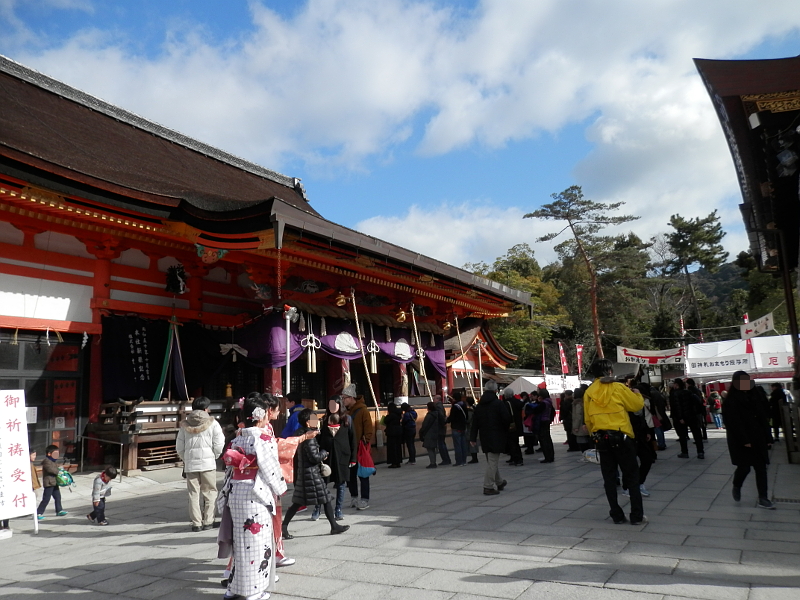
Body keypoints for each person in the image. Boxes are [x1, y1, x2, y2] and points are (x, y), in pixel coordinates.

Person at [217, 394, 296, 600]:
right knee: (257, 542)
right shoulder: (263, 438)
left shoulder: (238, 437)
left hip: (236, 491)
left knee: (240, 543)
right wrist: (280, 488)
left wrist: (224, 494)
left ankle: (233, 588)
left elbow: (229, 469)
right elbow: (270, 468)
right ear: (260, 416)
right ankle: (254, 591)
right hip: (255, 494)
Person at [583, 358, 646, 525]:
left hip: (601, 439)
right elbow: (635, 406)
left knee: (609, 479)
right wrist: (637, 395)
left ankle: (616, 515)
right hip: (622, 437)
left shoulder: (589, 392)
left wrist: (593, 435)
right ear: (610, 371)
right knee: (632, 477)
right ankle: (637, 516)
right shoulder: (618, 387)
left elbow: (588, 420)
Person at [282, 409, 350, 538]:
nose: (317, 421)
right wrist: (323, 453)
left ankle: (284, 526)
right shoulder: (309, 437)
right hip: (312, 474)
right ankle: (334, 526)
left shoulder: (300, 434)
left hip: (305, 473)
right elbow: (314, 457)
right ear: (308, 423)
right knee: (324, 498)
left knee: (305, 501)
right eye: (314, 419)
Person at [723, 371, 775, 509]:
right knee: (744, 467)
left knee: (761, 468)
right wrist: (744, 439)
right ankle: (737, 485)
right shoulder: (731, 400)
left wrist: (768, 437)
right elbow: (733, 423)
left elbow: (764, 418)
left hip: (758, 437)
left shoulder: (756, 396)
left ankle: (763, 497)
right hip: (741, 440)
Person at [176, 396, 225, 532]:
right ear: (205, 409)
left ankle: (196, 523)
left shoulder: (185, 424)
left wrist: (186, 459)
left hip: (191, 465)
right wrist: (214, 456)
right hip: (208, 464)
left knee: (193, 493)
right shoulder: (213, 423)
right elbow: (219, 443)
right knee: (210, 492)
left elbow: (179, 446)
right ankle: (208, 521)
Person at [316, 396, 356, 521]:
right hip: (326, 456)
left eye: (335, 404)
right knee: (322, 484)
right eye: (330, 404)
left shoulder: (347, 420)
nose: (332, 407)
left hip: (342, 455)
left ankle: (338, 509)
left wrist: (353, 458)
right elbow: (318, 438)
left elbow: (353, 439)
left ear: (340, 405)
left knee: (341, 484)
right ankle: (317, 509)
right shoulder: (323, 419)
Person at [469, 381, 510, 495]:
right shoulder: (498, 404)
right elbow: (506, 419)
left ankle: (499, 482)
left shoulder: (479, 406)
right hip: (496, 435)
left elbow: (475, 423)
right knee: (492, 462)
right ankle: (488, 486)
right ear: (495, 391)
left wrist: (472, 438)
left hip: (484, 436)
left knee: (491, 460)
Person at [342, 383, 374, 510]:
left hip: (359, 448)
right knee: (350, 475)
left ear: (351, 397)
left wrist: (364, 443)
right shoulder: (345, 412)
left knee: (363, 474)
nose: (343, 400)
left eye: (344, 398)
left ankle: (364, 499)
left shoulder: (363, 410)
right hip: (348, 447)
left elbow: (368, 430)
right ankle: (354, 496)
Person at [670, 379, 705, 459]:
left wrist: (680, 417)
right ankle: (700, 452)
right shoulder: (689, 392)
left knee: (682, 436)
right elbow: (697, 403)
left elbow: (676, 407)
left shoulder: (674, 394)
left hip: (681, 418)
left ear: (676, 384)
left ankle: (685, 452)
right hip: (692, 416)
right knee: (697, 435)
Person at [37, 444, 68, 519]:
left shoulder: (53, 461)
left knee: (58, 497)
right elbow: (51, 470)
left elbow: (56, 469)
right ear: (49, 454)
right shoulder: (46, 461)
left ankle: (59, 510)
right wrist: (58, 472)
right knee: (46, 499)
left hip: (54, 483)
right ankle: (38, 513)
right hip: (49, 483)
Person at [532, 386, 555, 463]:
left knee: (543, 439)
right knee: (548, 438)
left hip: (542, 421)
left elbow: (536, 410)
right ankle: (551, 456)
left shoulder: (543, 403)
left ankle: (547, 457)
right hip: (547, 420)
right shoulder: (549, 402)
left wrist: (538, 402)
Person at [502, 387, 524, 466]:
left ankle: (516, 459)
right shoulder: (517, 401)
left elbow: (505, 416)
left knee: (512, 443)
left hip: (510, 425)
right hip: (517, 424)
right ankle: (516, 458)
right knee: (515, 442)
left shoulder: (506, 403)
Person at [446, 391, 469, 466]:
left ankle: (459, 461)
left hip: (456, 427)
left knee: (457, 445)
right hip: (463, 427)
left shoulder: (455, 406)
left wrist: (446, 420)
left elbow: (452, 417)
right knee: (463, 445)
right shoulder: (464, 405)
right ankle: (464, 461)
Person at [419, 402, 440, 468]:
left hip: (429, 433)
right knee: (433, 448)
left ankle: (432, 462)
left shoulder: (429, 415)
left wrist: (421, 432)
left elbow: (425, 425)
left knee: (430, 449)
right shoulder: (437, 414)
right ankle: (434, 461)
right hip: (436, 432)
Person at [382, 403, 403, 468]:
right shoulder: (398, 414)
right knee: (398, 447)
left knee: (392, 448)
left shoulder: (391, 415)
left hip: (391, 432)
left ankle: (394, 462)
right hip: (398, 432)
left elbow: (385, 421)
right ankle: (398, 462)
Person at [571, 386, 591, 451]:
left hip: (580, 426)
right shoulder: (584, 402)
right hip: (585, 424)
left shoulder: (577, 404)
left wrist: (575, 426)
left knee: (582, 442)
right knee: (586, 441)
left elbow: (578, 416)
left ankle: (585, 455)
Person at [433, 395, 452, 465]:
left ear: (437, 399)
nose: (433, 400)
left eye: (434, 399)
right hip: (442, 427)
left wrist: (442, 423)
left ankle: (445, 459)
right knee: (442, 443)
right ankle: (446, 459)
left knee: (441, 444)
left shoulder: (438, 406)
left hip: (440, 427)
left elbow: (440, 416)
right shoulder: (441, 406)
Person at [465, 395, 480, 463]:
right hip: (475, 427)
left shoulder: (470, 411)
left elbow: (468, 420)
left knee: (472, 441)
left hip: (471, 428)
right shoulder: (475, 408)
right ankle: (474, 456)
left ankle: (474, 457)